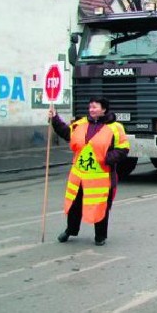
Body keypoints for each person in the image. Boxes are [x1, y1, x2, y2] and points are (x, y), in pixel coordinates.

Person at [48, 97, 130, 246]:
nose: (91, 110)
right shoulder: (81, 124)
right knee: (74, 205)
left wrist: (106, 158)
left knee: (100, 206)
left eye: (95, 107)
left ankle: (100, 236)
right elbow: (67, 133)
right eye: (90, 107)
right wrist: (54, 118)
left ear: (104, 109)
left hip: (101, 177)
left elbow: (123, 148)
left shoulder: (115, 128)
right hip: (79, 176)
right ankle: (70, 230)